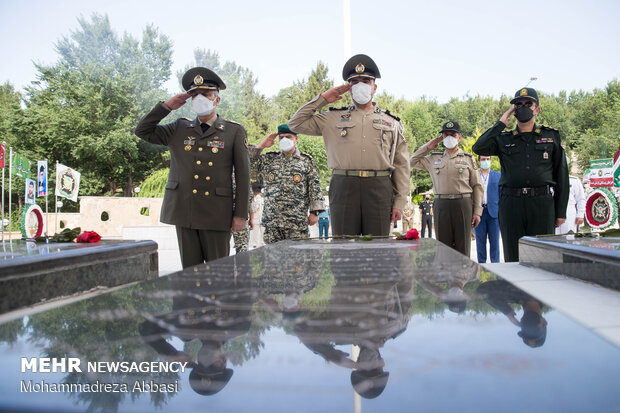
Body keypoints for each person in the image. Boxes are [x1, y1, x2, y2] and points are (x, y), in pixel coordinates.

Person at [135, 67, 250, 268]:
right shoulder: (178, 128)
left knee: (217, 273)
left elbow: (243, 176)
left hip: (217, 213)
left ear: (217, 99)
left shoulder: (233, 131)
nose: (200, 98)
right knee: (190, 274)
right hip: (184, 211)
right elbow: (143, 131)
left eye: (205, 94)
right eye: (195, 94)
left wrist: (240, 214)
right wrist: (166, 107)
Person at [288, 54, 410, 236]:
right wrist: (322, 99)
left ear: (374, 87)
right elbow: (295, 124)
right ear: (349, 88)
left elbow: (401, 164)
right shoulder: (332, 117)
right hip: (343, 185)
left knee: (377, 248)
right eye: (354, 82)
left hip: (379, 186)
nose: (360, 85)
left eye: (365, 81)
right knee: (343, 247)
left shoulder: (391, 122)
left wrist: (399, 201)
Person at [472, 87, 569, 262]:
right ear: (514, 110)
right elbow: (478, 147)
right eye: (519, 104)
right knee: (513, 257)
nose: (523, 107)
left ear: (537, 109)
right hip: (512, 204)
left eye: (528, 103)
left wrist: (560, 211)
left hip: (542, 204)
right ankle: (515, 290)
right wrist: (501, 122)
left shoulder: (550, 137)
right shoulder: (504, 139)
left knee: (543, 257)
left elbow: (561, 175)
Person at [410, 121, 483, 256]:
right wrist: (427, 147)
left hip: (463, 203)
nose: (449, 137)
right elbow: (411, 162)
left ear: (459, 137)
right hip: (441, 204)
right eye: (446, 134)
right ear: (442, 137)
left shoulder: (468, 159)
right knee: (443, 247)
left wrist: (477, 211)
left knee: (463, 247)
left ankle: (463, 276)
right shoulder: (433, 158)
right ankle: (445, 276)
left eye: (453, 134)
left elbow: (477, 186)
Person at [250, 124, 324, 244]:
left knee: (298, 260)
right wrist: (262, 145)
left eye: (288, 137)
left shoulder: (306, 160)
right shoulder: (269, 160)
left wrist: (314, 212)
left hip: (296, 222)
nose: (284, 140)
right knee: (273, 260)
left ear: (296, 139)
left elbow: (314, 187)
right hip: (272, 223)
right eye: (281, 137)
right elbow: (247, 165)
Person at [477, 280, 548, 348]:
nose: (530, 326)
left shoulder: (514, 295)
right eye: (534, 328)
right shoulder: (549, 293)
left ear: (521, 322)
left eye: (526, 328)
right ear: (544, 322)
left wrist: (507, 312)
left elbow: (482, 290)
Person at [474, 155, 501, 263]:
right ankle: (482, 264)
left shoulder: (498, 176)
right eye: (483, 159)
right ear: (479, 161)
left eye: (488, 159)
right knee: (480, 241)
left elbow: (502, 194)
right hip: (479, 212)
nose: (486, 161)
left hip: (494, 213)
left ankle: (496, 265)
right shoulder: (475, 176)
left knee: (495, 242)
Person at [556, 159, 586, 234]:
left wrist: (580, 215)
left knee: (569, 238)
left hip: (569, 214)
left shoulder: (573, 181)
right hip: (554, 213)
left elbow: (581, 199)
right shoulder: (550, 181)